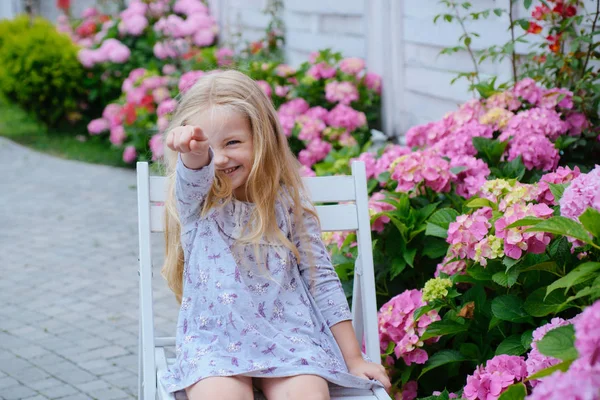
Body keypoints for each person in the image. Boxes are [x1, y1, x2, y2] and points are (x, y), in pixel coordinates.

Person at [159, 70, 391, 400]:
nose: (221, 157)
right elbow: (194, 173)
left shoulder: (286, 202)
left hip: (290, 337)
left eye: (233, 142)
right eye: (209, 147)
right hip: (216, 341)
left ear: (262, 138)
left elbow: (320, 279)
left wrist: (354, 359)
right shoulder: (196, 202)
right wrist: (194, 153)